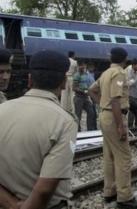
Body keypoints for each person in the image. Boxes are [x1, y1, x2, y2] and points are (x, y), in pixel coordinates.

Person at [0, 50, 78, 209]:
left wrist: (12, 204)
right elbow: (44, 189)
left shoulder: (3, 109)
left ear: (29, 79)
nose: (6, 76)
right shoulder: (65, 122)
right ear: (64, 82)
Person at [89, 47, 137, 209]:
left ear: (110, 58)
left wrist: (102, 104)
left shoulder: (106, 73)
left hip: (105, 116)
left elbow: (91, 90)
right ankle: (125, 197)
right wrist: (120, 125)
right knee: (123, 157)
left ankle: (109, 192)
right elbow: (115, 100)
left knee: (109, 156)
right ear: (125, 59)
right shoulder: (119, 73)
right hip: (115, 117)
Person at [73, 60, 96, 131]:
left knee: (91, 112)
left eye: (84, 65)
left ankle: (90, 129)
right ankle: (77, 130)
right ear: (78, 66)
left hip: (86, 97)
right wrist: (83, 91)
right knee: (78, 115)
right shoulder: (77, 75)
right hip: (79, 97)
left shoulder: (86, 75)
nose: (83, 67)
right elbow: (74, 87)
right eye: (81, 66)